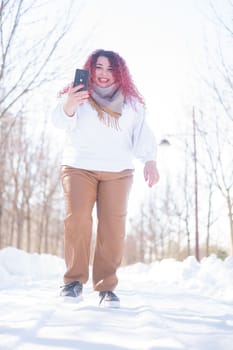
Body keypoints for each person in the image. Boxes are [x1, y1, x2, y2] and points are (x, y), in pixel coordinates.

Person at [51, 49, 159, 308]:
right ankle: (73, 282)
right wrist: (70, 104)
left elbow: (142, 134)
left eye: (110, 69)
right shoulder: (77, 96)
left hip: (118, 172)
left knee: (112, 228)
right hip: (79, 167)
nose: (103, 74)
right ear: (91, 69)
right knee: (77, 218)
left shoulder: (132, 104)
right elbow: (58, 121)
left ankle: (106, 287)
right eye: (99, 67)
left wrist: (150, 160)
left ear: (119, 72)